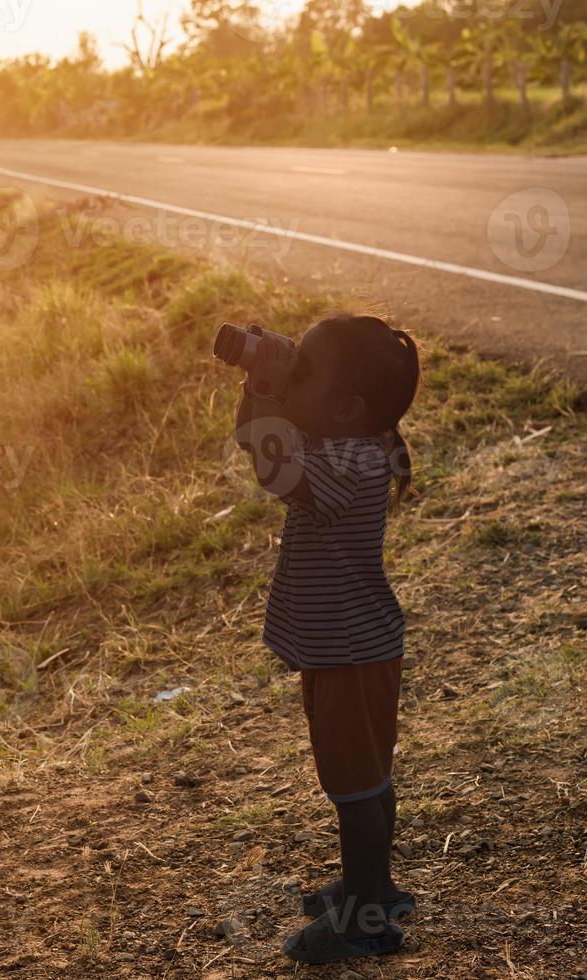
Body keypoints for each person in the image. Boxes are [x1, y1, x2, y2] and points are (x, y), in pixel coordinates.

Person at [233, 312, 421, 965]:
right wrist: (267, 380)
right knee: (365, 781)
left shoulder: (348, 463)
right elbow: (259, 444)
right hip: (344, 648)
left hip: (349, 653)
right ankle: (374, 885)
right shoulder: (341, 445)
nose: (292, 376)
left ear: (347, 407)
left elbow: (266, 463)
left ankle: (362, 921)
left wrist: (262, 389)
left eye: (305, 370)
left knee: (352, 789)